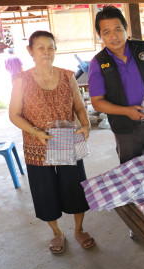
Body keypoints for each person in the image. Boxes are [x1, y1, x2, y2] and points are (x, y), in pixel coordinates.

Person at [9, 31, 95, 254]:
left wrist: (85, 126)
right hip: (37, 146)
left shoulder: (68, 77)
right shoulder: (22, 80)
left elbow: (79, 107)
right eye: (41, 48)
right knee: (44, 192)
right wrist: (36, 132)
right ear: (30, 51)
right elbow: (14, 114)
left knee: (75, 187)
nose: (47, 52)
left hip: (67, 142)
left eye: (51, 48)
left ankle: (79, 229)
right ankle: (57, 233)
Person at [88, 6, 144, 239]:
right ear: (100, 35)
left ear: (126, 29)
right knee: (132, 176)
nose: (114, 36)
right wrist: (126, 111)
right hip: (125, 130)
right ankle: (139, 223)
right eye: (107, 32)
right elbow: (98, 102)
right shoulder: (98, 62)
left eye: (118, 29)